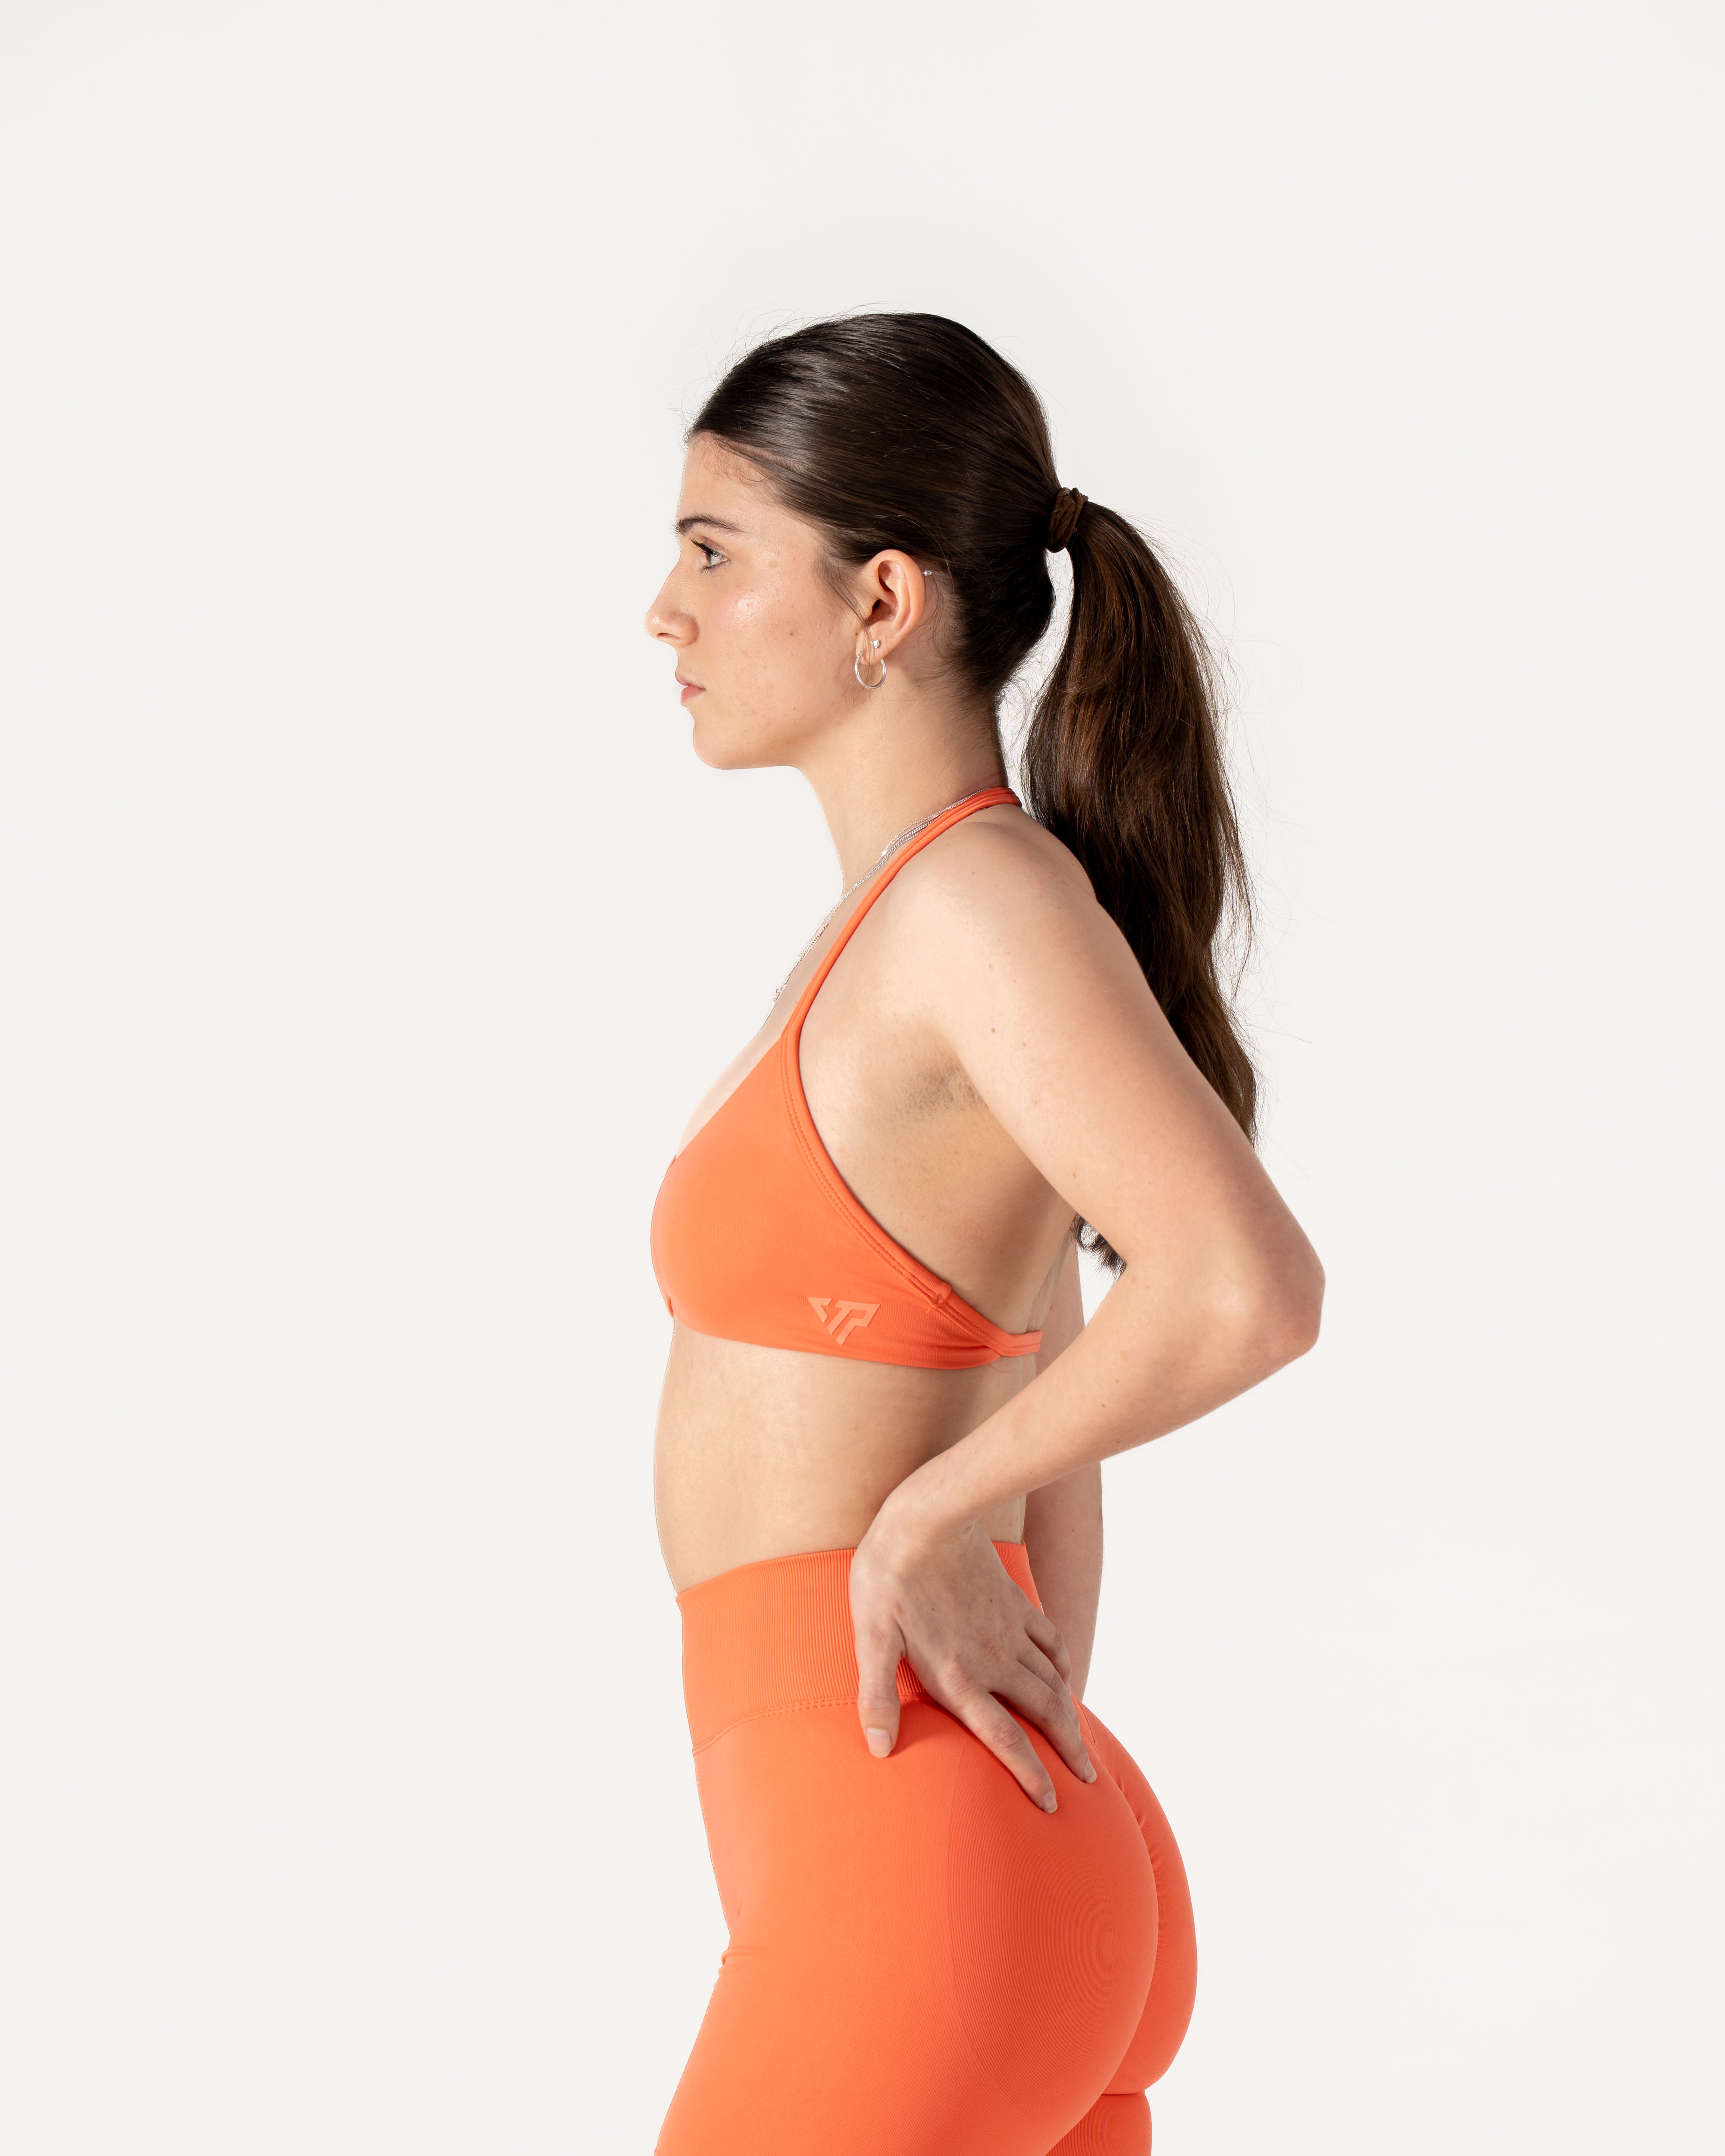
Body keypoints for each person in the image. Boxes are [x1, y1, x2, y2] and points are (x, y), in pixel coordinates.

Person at [643, 313, 1324, 2156]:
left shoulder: (974, 903)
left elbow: (1245, 1286)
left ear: (881, 601)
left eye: (714, 550)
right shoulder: (915, 915)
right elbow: (1033, 1344)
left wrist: (931, 1518)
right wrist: (1026, 1687)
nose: (666, 612)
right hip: (946, 1853)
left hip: (910, 1878)